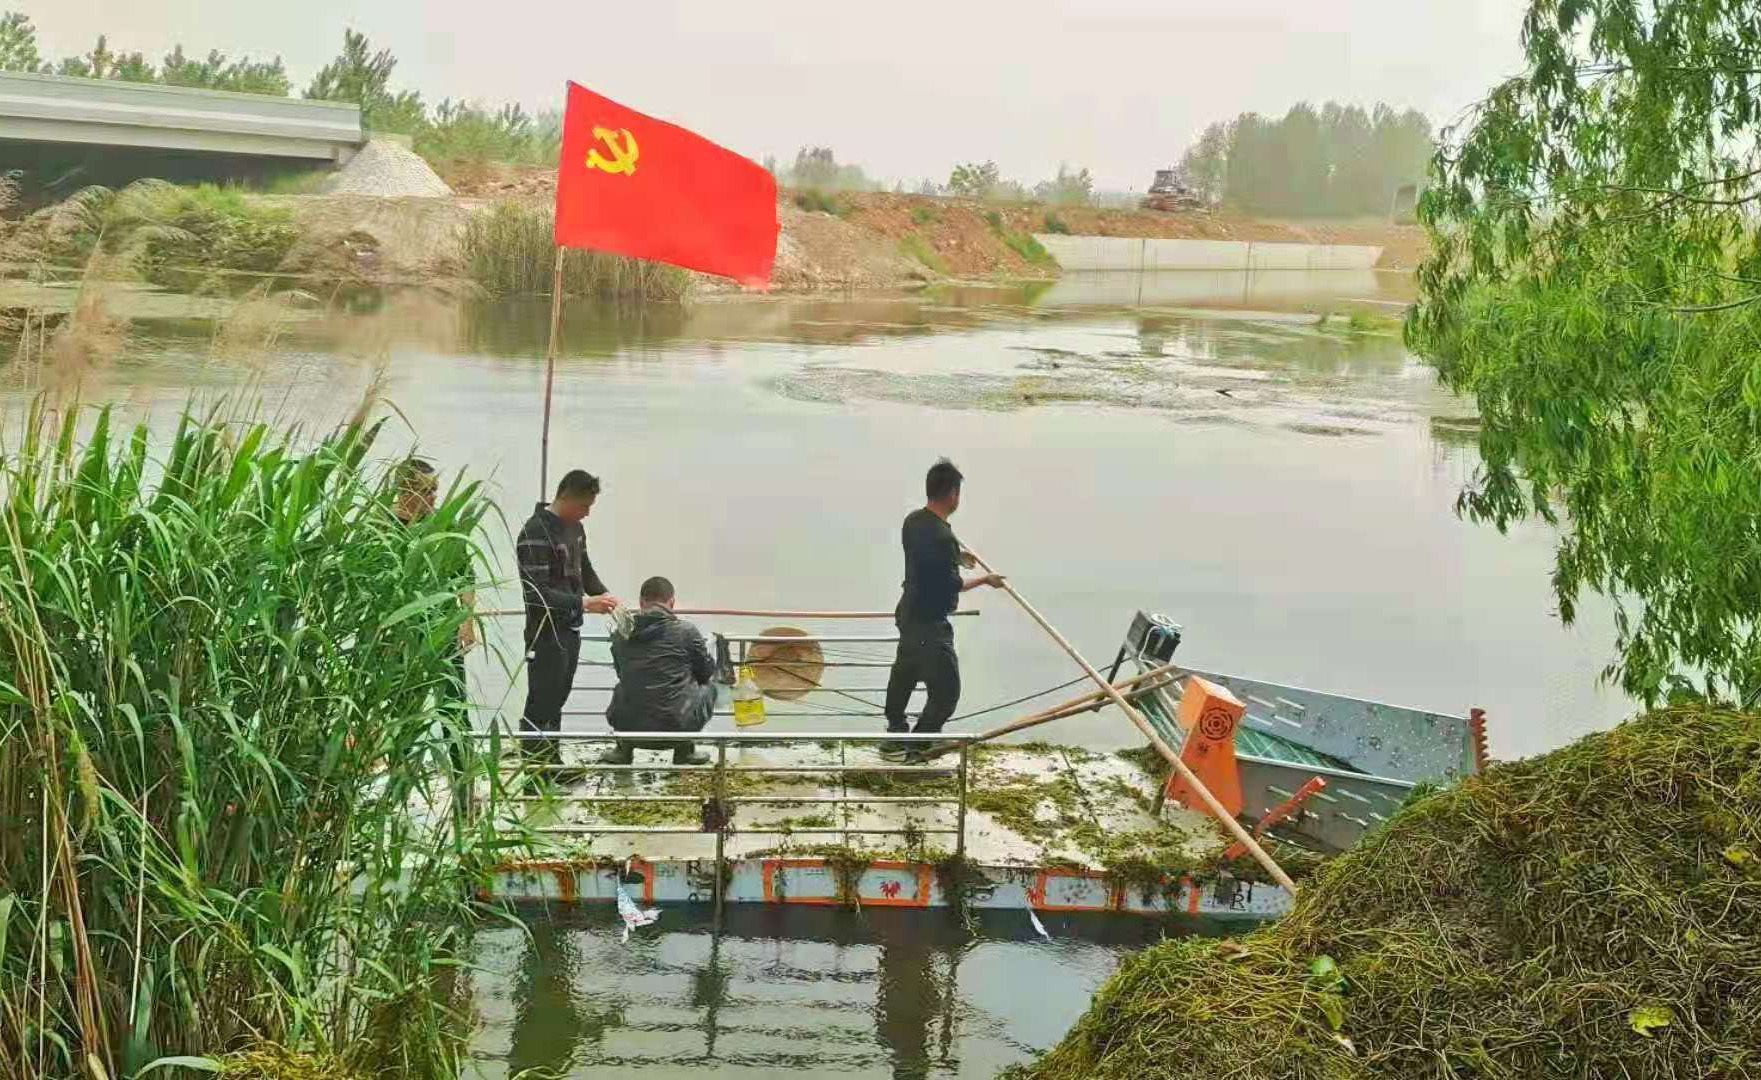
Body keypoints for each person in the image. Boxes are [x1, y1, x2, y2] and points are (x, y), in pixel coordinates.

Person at [882, 458, 1004, 761]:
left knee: (905, 675)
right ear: (952, 494)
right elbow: (952, 586)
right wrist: (985, 580)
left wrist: (957, 557)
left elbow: (927, 562)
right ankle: (918, 747)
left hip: (907, 615)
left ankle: (894, 735)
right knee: (947, 692)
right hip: (929, 624)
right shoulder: (943, 536)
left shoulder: (912, 522)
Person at [516, 469, 620, 772]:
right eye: (584, 506)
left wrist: (606, 597)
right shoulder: (535, 533)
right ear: (566, 497)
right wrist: (586, 603)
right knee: (541, 701)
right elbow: (537, 594)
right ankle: (534, 771)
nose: (586, 514)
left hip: (571, 628)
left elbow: (584, 571)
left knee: (558, 698)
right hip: (544, 632)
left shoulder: (575, 529)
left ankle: (552, 763)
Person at [605, 576, 717, 766]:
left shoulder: (621, 633)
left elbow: (621, 672)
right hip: (676, 729)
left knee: (626, 684)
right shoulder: (687, 631)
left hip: (630, 728)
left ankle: (623, 750)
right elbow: (705, 673)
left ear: (641, 603)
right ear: (671, 602)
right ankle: (685, 751)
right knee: (709, 688)